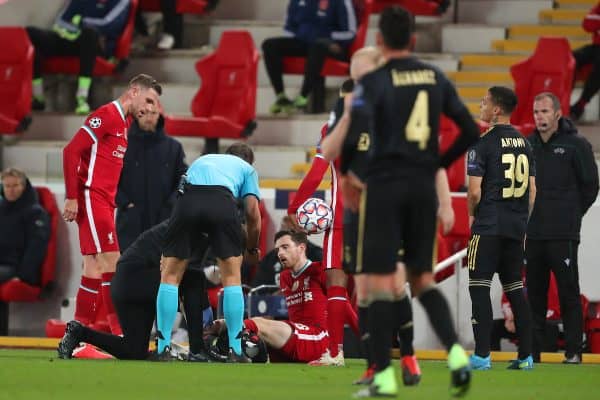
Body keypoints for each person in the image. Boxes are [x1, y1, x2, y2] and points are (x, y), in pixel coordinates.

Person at [339, 6, 479, 397]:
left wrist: (351, 174)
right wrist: (437, 161)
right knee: (422, 280)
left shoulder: (375, 80)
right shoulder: (434, 77)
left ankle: (384, 378)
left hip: (384, 187)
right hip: (421, 187)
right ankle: (456, 355)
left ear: (380, 41)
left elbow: (355, 135)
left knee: (381, 284)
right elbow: (470, 129)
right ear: (413, 39)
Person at [321, 47, 455, 387]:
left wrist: (445, 203)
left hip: (391, 208)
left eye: (362, 71)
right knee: (364, 291)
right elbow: (327, 152)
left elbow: (430, 157)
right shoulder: (347, 105)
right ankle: (374, 366)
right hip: (356, 213)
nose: (357, 77)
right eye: (353, 72)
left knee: (395, 285)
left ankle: (408, 356)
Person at [62, 74, 162, 336]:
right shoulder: (107, 114)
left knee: (93, 266)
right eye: (149, 100)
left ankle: (78, 330)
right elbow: (71, 150)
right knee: (112, 263)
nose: (151, 108)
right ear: (133, 91)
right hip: (91, 196)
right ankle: (121, 332)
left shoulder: (123, 122)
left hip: (104, 201)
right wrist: (72, 196)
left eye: (155, 104)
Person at [157, 142, 262, 362]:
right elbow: (252, 213)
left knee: (170, 276)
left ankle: (163, 349)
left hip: (188, 204)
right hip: (222, 203)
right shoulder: (247, 169)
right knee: (232, 278)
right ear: (249, 161)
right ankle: (236, 350)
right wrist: (251, 248)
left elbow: (181, 195)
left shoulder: (202, 160)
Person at [57, 219, 212, 361]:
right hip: (139, 277)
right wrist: (206, 322)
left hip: (127, 281)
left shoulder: (185, 221)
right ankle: (197, 350)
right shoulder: (195, 229)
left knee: (134, 351)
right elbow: (189, 284)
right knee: (194, 280)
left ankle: (79, 332)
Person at [526, 91, 599, 364]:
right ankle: (531, 353)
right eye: (536, 112)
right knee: (533, 295)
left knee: (569, 291)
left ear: (557, 114)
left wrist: (571, 215)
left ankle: (573, 352)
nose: (540, 117)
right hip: (533, 234)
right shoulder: (527, 145)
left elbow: (591, 186)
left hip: (563, 234)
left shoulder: (576, 145)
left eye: (544, 111)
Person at [466, 86, 535, 371]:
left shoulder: (482, 144)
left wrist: (474, 219)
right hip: (515, 228)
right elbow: (532, 190)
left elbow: (473, 192)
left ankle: (482, 356)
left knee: (479, 289)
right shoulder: (525, 143)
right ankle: (526, 357)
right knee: (516, 290)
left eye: (484, 102)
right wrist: (522, 223)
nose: (480, 106)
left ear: (496, 110)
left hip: (489, 225)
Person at [286, 123, 358, 365]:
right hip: (377, 218)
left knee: (336, 282)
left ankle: (335, 353)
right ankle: (390, 347)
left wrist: (295, 205)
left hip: (343, 218)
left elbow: (318, 171)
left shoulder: (335, 127)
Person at [209, 230, 330, 363]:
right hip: (297, 335)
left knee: (257, 324)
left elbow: (341, 303)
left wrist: (337, 348)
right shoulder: (285, 277)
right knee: (254, 334)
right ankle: (225, 347)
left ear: (301, 248)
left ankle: (229, 329)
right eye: (278, 249)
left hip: (318, 337)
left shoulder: (319, 270)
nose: (280, 253)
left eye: (285, 247)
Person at [26, 0, 132, 115]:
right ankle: (38, 97)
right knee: (30, 33)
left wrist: (81, 21)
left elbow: (108, 24)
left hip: (98, 44)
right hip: (72, 38)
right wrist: (74, 31)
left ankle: (82, 98)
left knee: (89, 34)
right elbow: (60, 22)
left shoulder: (122, 1)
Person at [262, 0, 358, 114]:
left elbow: (351, 33)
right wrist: (303, 38)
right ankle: (281, 97)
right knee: (269, 45)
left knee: (318, 45)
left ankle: (303, 97)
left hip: (333, 45)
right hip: (305, 42)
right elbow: (288, 28)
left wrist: (328, 37)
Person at [116, 108, 187, 251]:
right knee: (129, 269)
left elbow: (185, 178)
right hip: (131, 223)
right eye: (144, 113)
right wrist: (124, 203)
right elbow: (110, 179)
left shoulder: (173, 147)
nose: (148, 117)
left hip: (163, 221)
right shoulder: (122, 146)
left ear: (159, 116)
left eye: (153, 113)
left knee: (160, 270)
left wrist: (173, 203)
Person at [0, 168, 50, 285]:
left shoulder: (36, 213)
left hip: (15, 268)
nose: (11, 190)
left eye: (15, 185)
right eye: (7, 186)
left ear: (23, 186)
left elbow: (36, 247)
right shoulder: (1, 209)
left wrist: (22, 276)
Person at [251, 215, 323, 287]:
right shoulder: (270, 259)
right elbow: (258, 291)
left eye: (290, 232)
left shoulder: (317, 256)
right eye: (282, 230)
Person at [570, 1, 600, 120]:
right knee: (569, 58)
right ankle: (563, 101)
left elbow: (593, 22)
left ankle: (579, 106)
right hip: (597, 46)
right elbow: (587, 24)